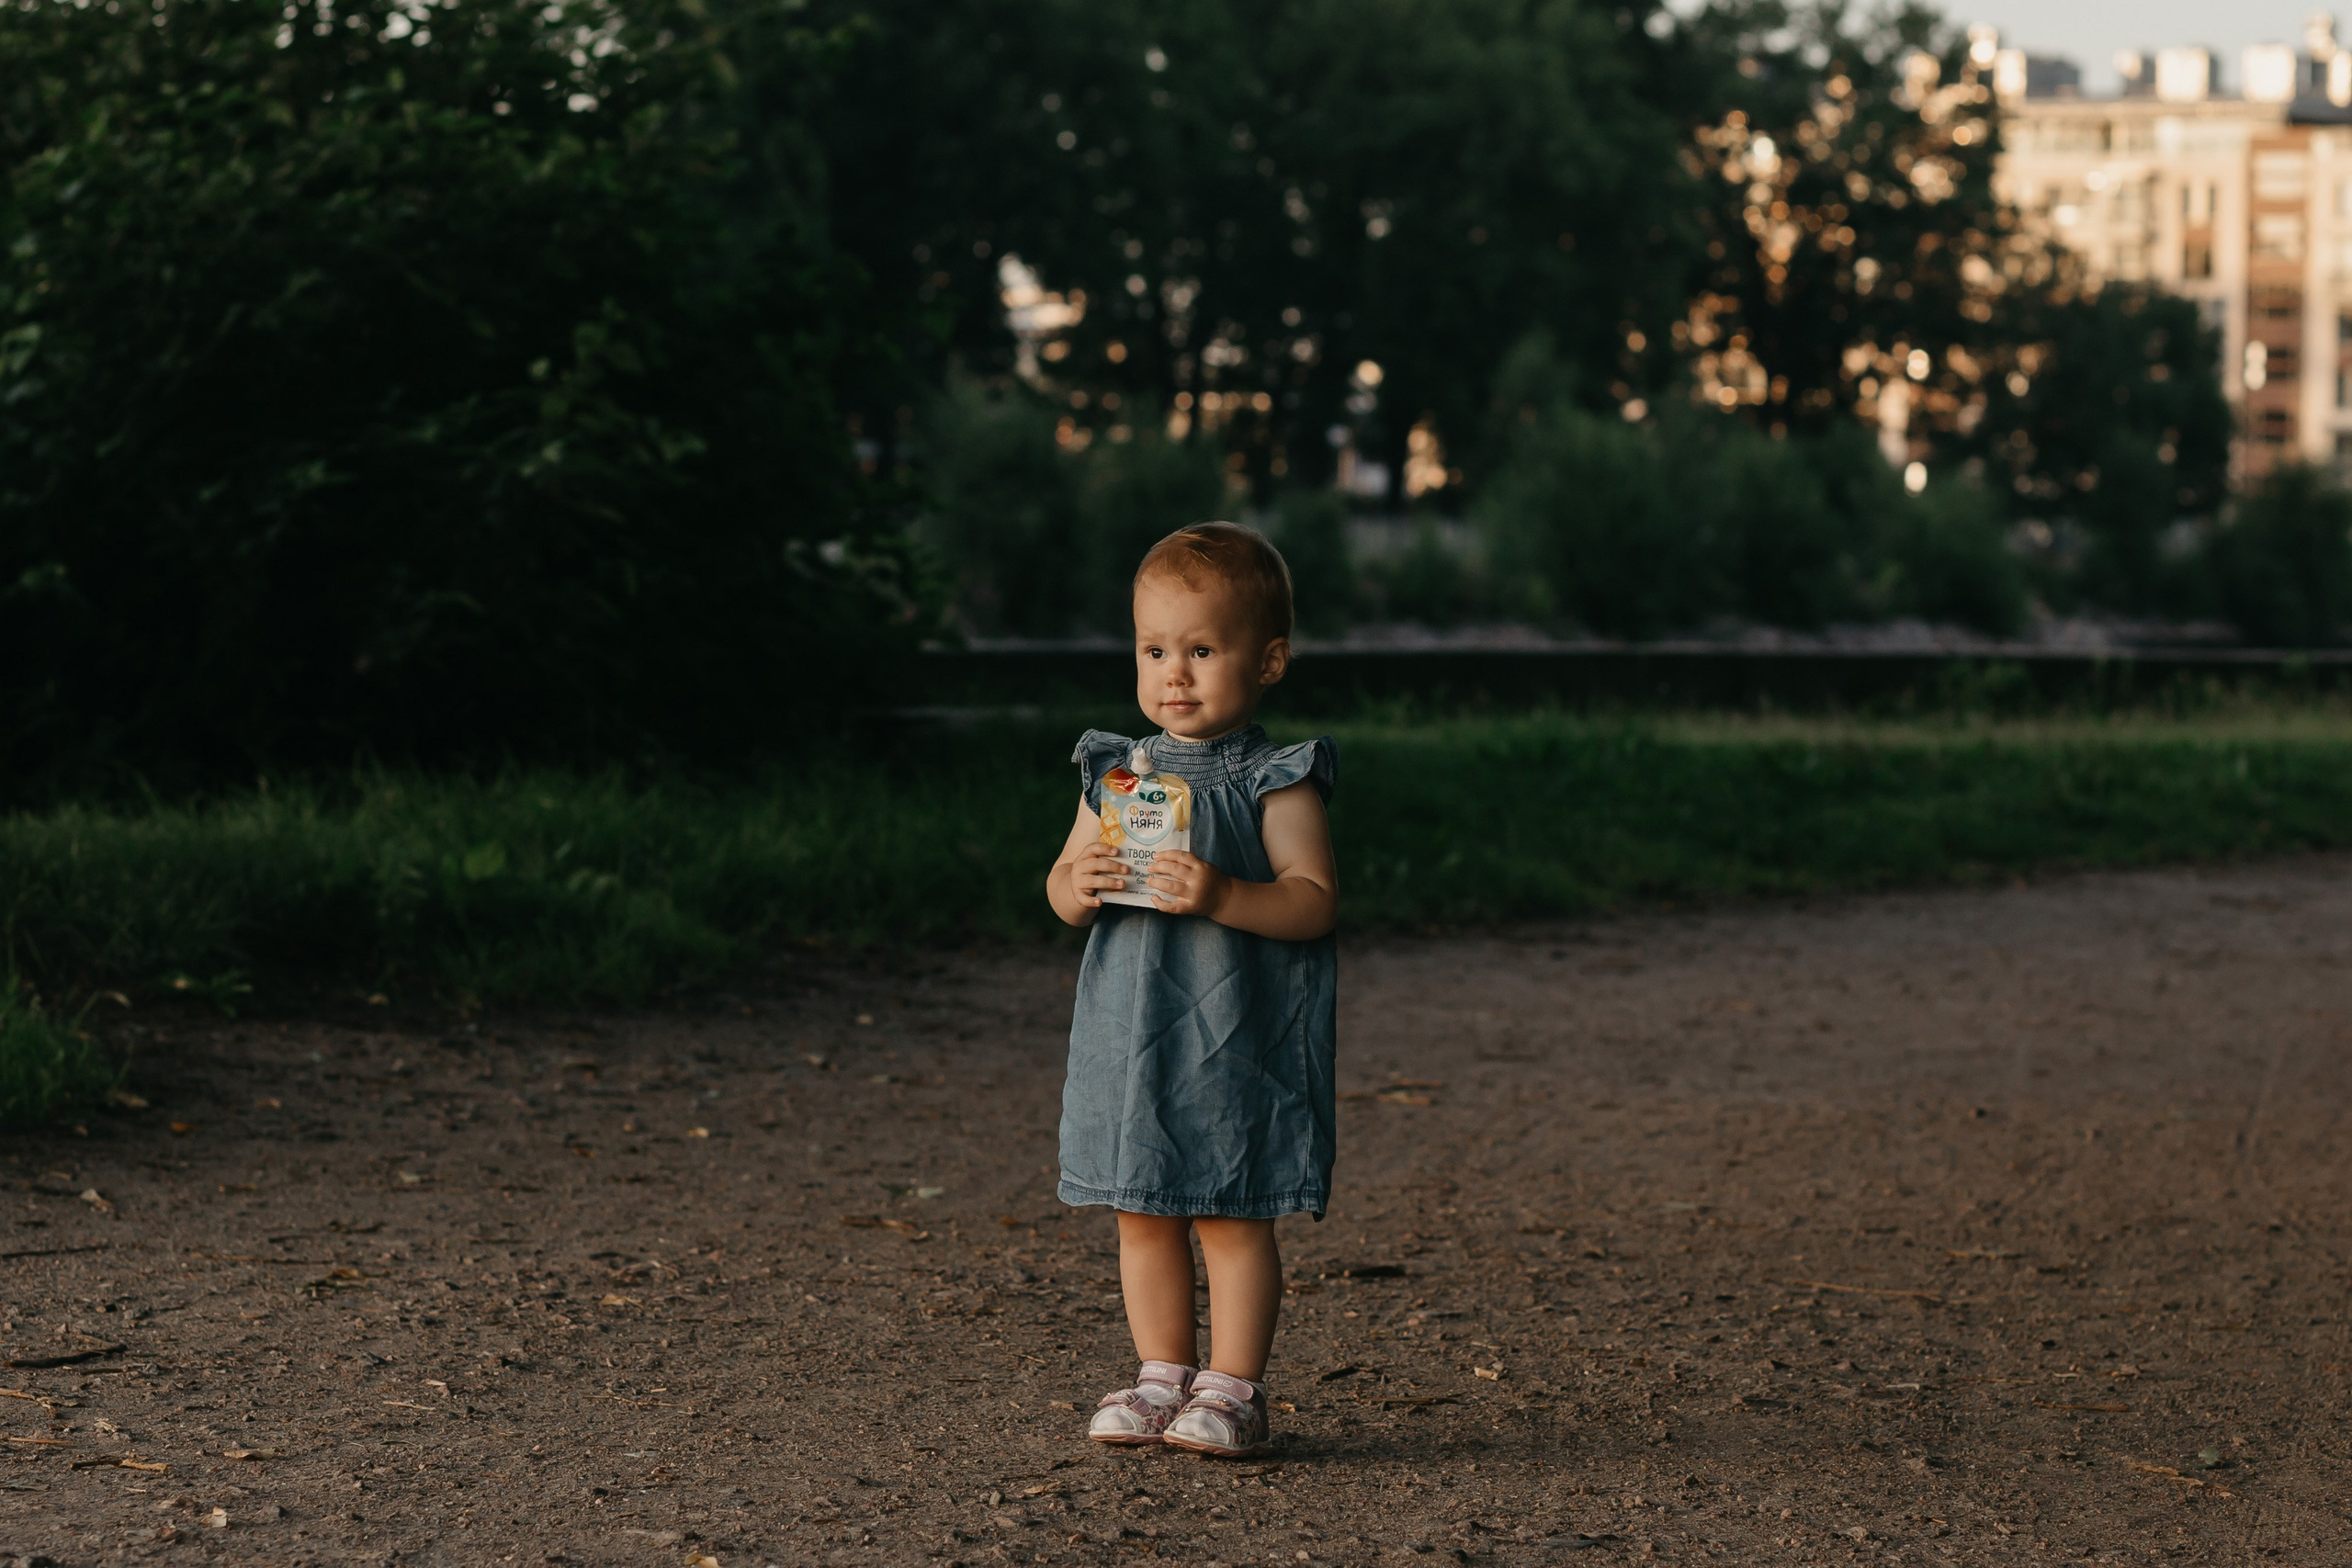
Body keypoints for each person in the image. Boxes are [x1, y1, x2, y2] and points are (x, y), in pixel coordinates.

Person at [1044, 520, 1339, 1459]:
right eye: (1154, 649)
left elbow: (1312, 904)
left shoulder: (1273, 782)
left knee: (1228, 1207)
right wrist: (1077, 887)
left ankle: (1232, 1388)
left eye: (1202, 650)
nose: (1173, 673)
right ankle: (1159, 1374)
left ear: (1269, 660)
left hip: (1232, 1031)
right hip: (1135, 1030)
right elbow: (1060, 888)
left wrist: (1221, 892)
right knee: (1142, 1204)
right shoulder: (1116, 775)